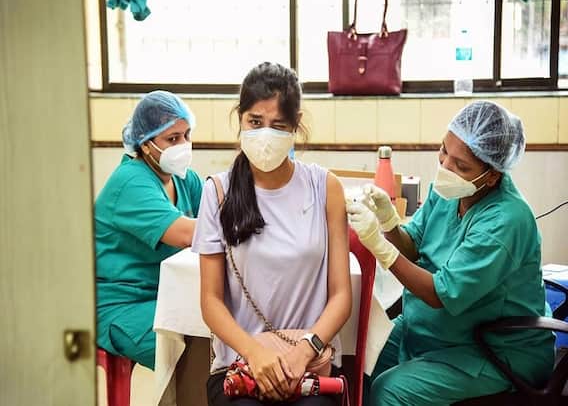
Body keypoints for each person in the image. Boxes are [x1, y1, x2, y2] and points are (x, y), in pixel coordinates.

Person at [347, 100, 555, 405]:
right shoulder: (449, 190)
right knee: (357, 360)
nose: (446, 168)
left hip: (494, 351)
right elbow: (413, 246)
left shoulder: (505, 221)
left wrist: (379, 246)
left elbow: (440, 294)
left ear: (492, 175)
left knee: (389, 391)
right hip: (433, 330)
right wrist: (389, 223)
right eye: (444, 151)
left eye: (461, 166)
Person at [193, 62, 352, 405]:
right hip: (240, 366)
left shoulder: (325, 188)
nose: (265, 134)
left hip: (309, 364)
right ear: (240, 119)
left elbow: (341, 296)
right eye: (255, 122)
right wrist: (255, 353)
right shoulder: (218, 192)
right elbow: (210, 301)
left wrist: (304, 351)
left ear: (296, 126)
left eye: (278, 125)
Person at [96, 90, 203, 369]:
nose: (184, 145)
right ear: (145, 144)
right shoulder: (130, 183)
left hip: (165, 297)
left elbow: (218, 213)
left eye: (187, 135)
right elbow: (188, 233)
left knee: (222, 327)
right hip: (124, 306)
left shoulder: (184, 179)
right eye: (173, 139)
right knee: (198, 351)